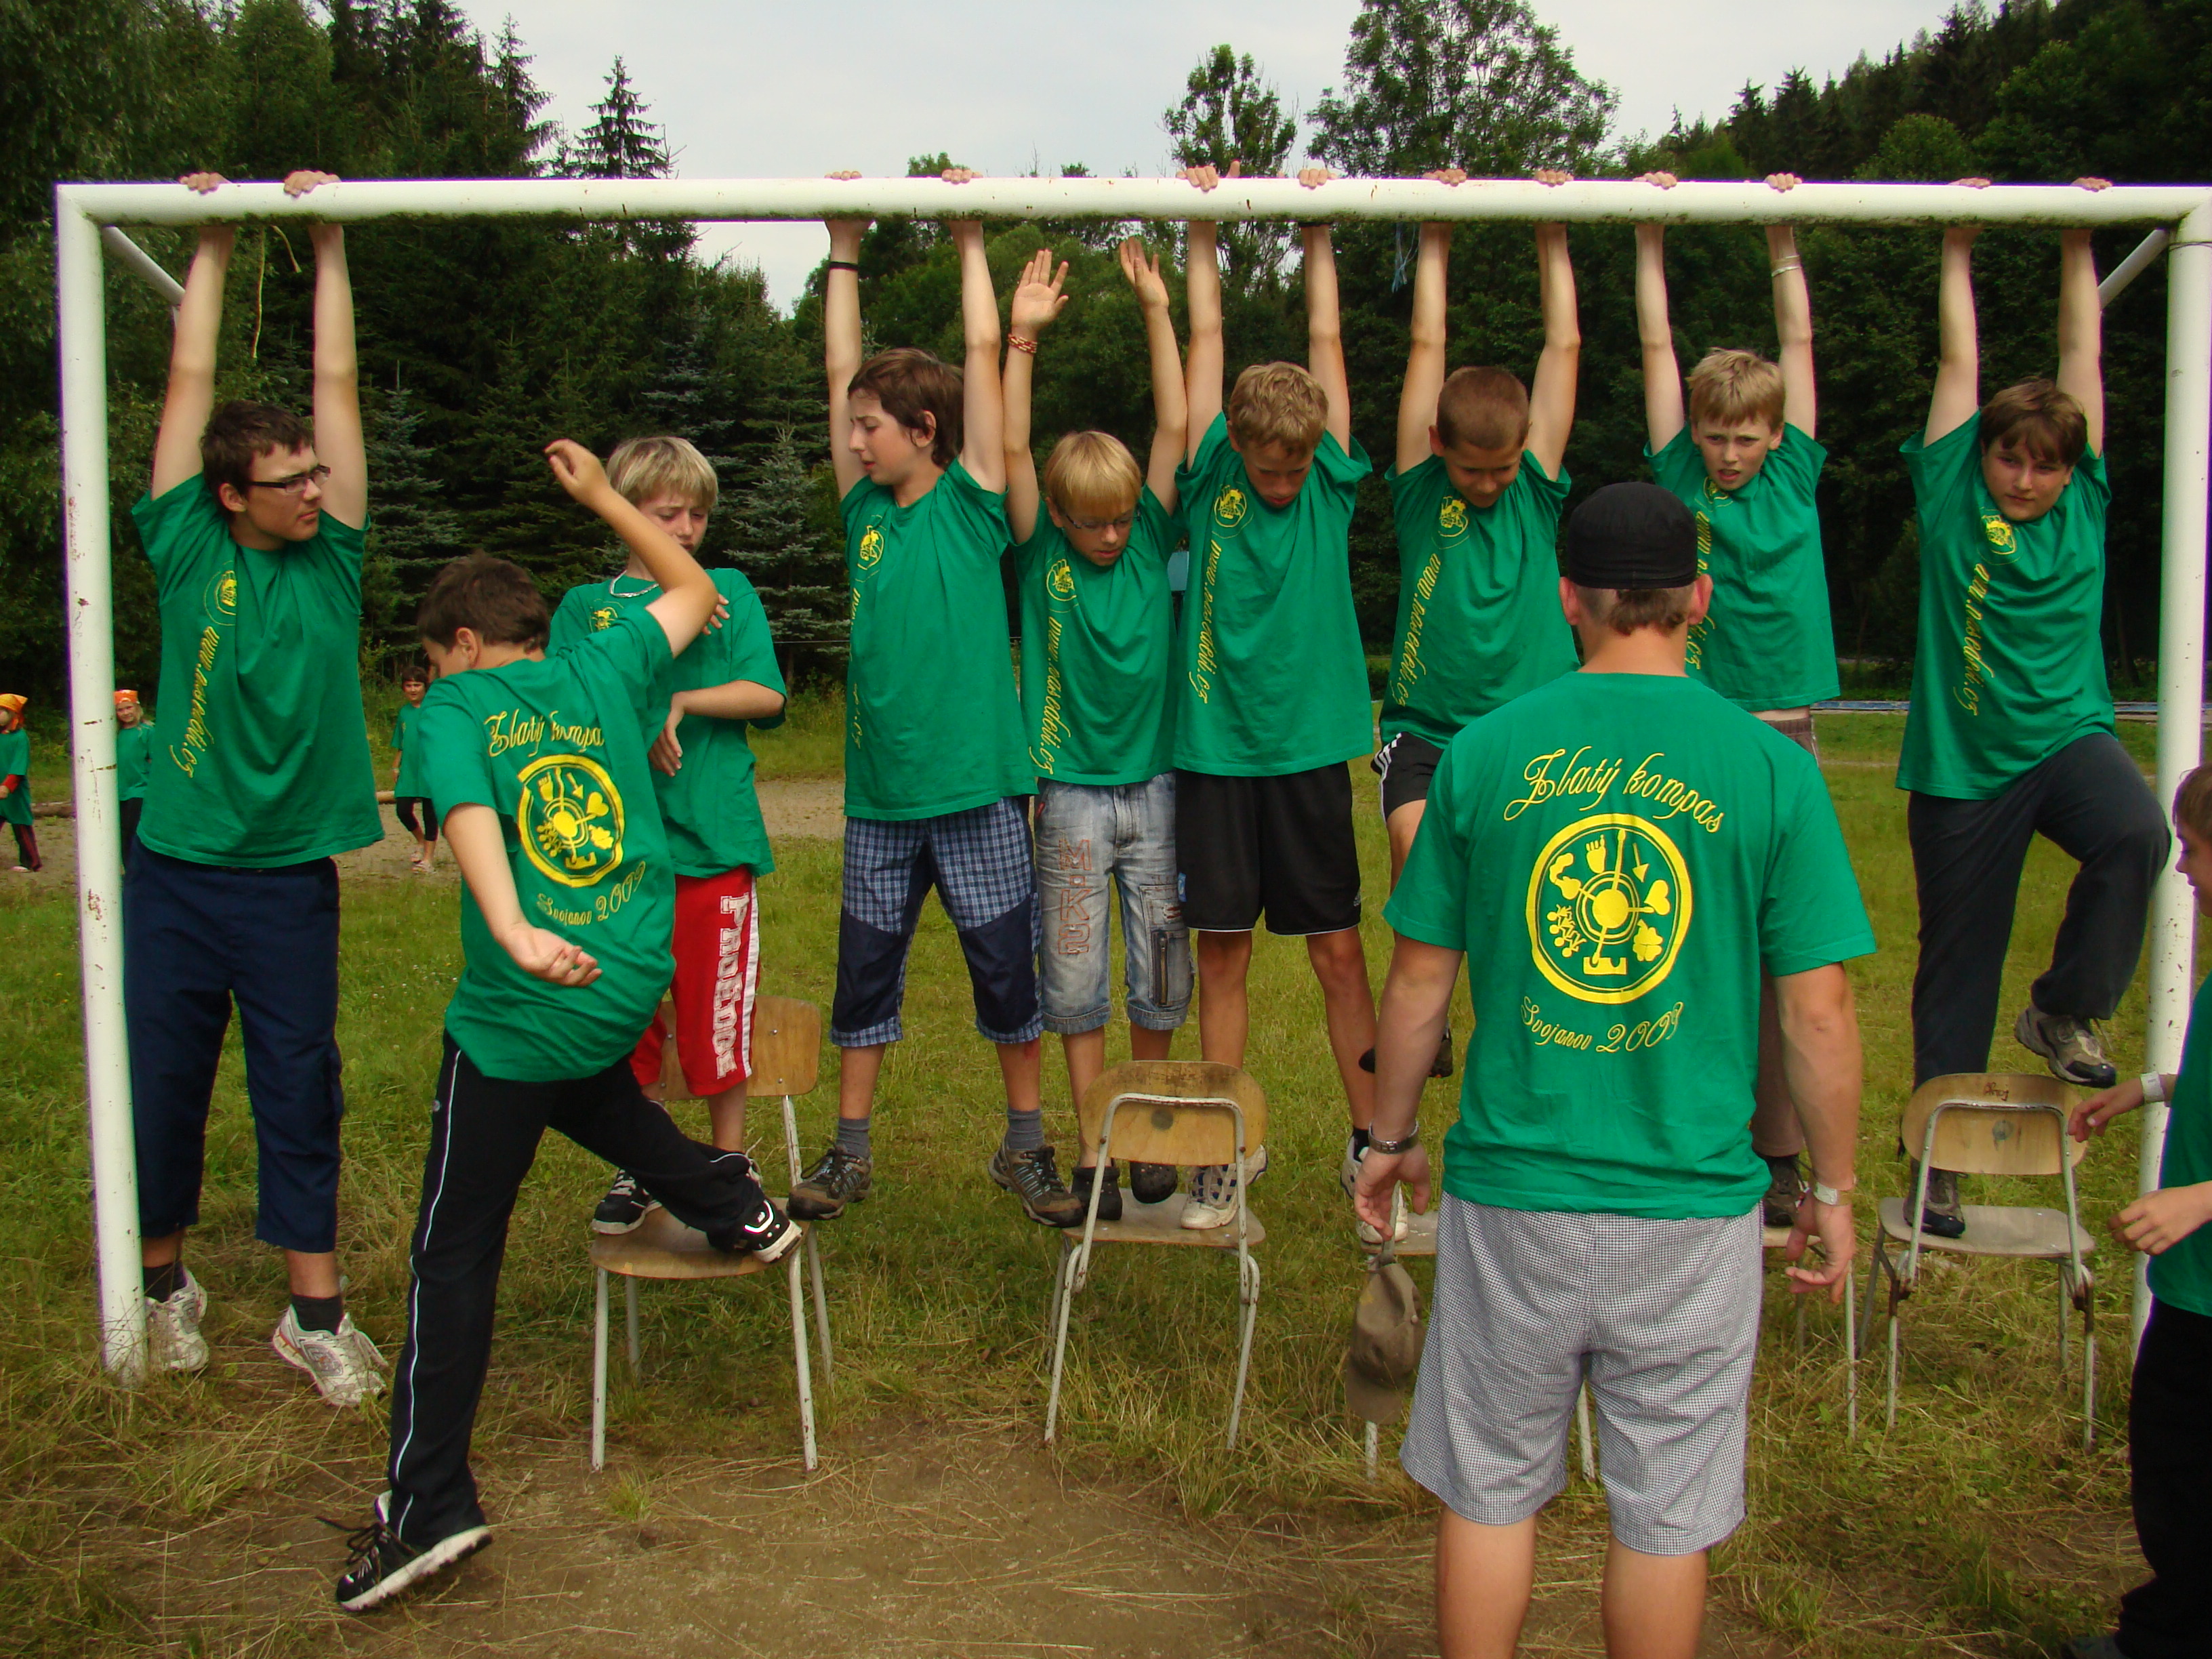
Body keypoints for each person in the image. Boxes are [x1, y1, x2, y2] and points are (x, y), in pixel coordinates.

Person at [1355, 483, 1870, 1659]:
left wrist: (1389, 1139)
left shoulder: (1483, 753)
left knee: (1489, 1489)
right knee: (1664, 1511)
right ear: (1700, 597)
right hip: (1690, 1207)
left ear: (1565, 601)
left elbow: (1419, 982)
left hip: (1515, 1195)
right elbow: (1819, 1010)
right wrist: (1832, 1190)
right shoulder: (1770, 768)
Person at [332, 442, 800, 1614]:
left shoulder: (458, 702)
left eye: (435, 656)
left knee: (451, 1248)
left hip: (526, 998)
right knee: (592, 1092)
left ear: (461, 644)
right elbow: (691, 589)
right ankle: (731, 1197)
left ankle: (426, 1507)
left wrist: (513, 927)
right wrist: (598, 497)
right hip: (627, 973)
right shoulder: (608, 660)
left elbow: (467, 808)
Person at [125, 170, 386, 1405]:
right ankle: (163, 1285)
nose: (315, 489)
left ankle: (312, 1314)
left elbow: (337, 387)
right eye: (291, 481)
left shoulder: (331, 561)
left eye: (317, 474)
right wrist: (214, 241)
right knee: (165, 1079)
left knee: (296, 1082)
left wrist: (329, 244)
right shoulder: (187, 544)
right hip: (177, 867)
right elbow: (188, 383)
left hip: (286, 879)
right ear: (232, 495)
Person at [799, 171, 1073, 1228]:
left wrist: (970, 240)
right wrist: (842, 246)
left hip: (977, 792)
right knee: (864, 979)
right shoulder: (862, 512)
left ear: (923, 428)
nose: (853, 440)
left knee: (1008, 979)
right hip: (883, 798)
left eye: (870, 427)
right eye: (852, 428)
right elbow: (840, 369)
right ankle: (850, 1153)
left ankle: (1025, 1148)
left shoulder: (972, 503)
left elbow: (984, 361)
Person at [1902, 178, 2169, 1237]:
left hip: (2066, 738)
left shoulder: (2085, 501)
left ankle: (2063, 1007)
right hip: (1964, 766)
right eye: (2009, 458)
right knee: (1958, 970)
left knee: (2139, 833)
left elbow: (2081, 355)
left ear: (2070, 471)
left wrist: (2076, 240)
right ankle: (1939, 1160)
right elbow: (1958, 367)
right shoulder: (1953, 495)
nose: (2022, 477)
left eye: (2042, 466)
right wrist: (1957, 247)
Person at [1176, 162, 1376, 1232]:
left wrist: (1318, 232)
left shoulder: (1327, 484)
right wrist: (1204, 226)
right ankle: (1224, 1150)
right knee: (1223, 951)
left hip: (1307, 753)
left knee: (1339, 950)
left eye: (1296, 466)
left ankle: (1370, 1144)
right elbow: (1207, 343)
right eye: (1269, 466)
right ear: (1239, 447)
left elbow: (1327, 343)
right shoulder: (1215, 473)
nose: (1283, 480)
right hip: (1217, 752)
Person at [1636, 169, 1838, 1228]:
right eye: (1715, 437)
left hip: (1784, 729)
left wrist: (1781, 238)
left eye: (1745, 438)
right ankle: (1683, 1127)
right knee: (1686, 935)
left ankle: (1781, 1157)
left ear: (1773, 435)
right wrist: (1648, 236)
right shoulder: (1679, 474)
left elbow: (1797, 344)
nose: (1727, 454)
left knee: (1781, 953)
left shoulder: (1794, 473)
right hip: (1698, 725)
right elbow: (1657, 348)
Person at [546, 434, 787, 1232]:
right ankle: (644, 1163)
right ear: (623, 513)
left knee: (717, 1013)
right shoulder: (587, 608)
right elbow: (569, 708)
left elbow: (765, 693)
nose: (685, 530)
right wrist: (646, 701)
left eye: (697, 515)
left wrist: (684, 703)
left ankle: (728, 1164)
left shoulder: (727, 590)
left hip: (714, 841)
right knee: (632, 1014)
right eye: (666, 514)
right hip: (621, 856)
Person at [1378, 170, 1580, 1111]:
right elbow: (1428, 343)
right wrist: (1436, 235)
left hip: (1531, 727)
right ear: (1438, 446)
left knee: (1526, 893)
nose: (1489, 484)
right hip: (1426, 728)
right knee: (1417, 851)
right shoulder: (1423, 494)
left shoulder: (1535, 490)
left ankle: (1522, 1029)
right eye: (1473, 470)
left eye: (1502, 468)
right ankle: (1431, 1009)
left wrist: (1552, 230)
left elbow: (1563, 344)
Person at [1002, 240, 1191, 1221]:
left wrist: (1157, 308)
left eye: (1121, 519)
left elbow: (1175, 422)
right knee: (1074, 975)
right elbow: (1011, 451)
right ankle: (1093, 1150)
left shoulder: (1149, 531)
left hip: (1154, 786)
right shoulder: (1042, 551)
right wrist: (1022, 341)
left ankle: (1149, 1130)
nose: (1113, 535)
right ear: (1062, 516)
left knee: (1161, 967)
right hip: (1070, 790)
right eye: (1095, 523)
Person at [2066, 763, 2212, 1659]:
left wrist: (2200, 1199)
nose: (2184, 867)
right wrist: (2151, 1089)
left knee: (2187, 1479)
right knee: (2169, 1469)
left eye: (2194, 848)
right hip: (2192, 1291)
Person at [390, 663, 437, 873]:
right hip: (408, 768)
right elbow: (402, 742)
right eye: (408, 686)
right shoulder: (404, 712)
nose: (413, 689)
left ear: (425, 687)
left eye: (417, 685)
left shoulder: (433, 710)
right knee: (402, 810)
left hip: (429, 767)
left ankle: (428, 859)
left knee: (430, 813)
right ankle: (420, 841)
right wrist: (395, 766)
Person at [115, 689, 155, 870]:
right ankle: (128, 870)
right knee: (121, 833)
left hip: (140, 789)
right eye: (120, 710)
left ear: (137, 707)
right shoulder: (114, 733)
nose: (125, 713)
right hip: (120, 790)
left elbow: (155, 759)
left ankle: (138, 870)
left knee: (132, 832)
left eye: (128, 708)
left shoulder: (147, 731)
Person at [0, 693, 37, 873]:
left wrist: (7, 786)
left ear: (12, 713)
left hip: (14, 791)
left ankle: (31, 861)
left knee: (21, 826)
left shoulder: (20, 737)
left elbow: (19, 765)